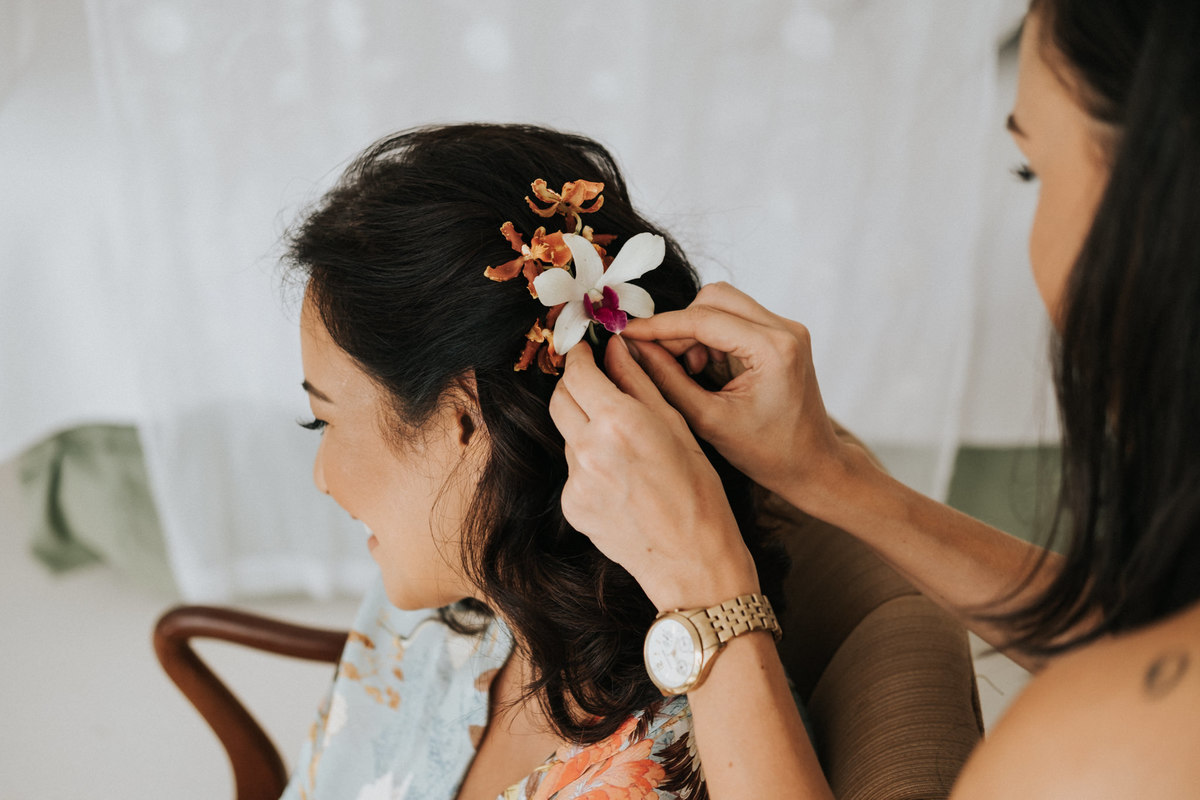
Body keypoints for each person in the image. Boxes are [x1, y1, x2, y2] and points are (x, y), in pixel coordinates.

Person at [551, 0, 1200, 797]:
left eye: (1032, 171)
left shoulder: (1099, 755)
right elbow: (1125, 630)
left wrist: (706, 592)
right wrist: (830, 475)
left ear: (1160, 206)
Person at [278, 124, 825, 800]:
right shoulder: (442, 585)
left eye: (324, 419)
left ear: (463, 422)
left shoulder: (665, 764)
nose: (321, 477)